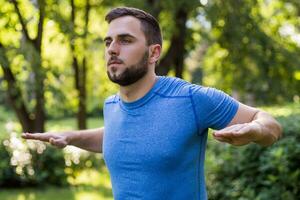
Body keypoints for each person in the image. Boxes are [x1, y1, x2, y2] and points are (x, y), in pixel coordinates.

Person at [22, 7, 282, 200]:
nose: (112, 49)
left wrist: (256, 131)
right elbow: (120, 135)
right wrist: (70, 136)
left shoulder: (190, 99)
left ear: (153, 53)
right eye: (108, 41)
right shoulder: (111, 106)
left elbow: (270, 124)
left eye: (125, 40)